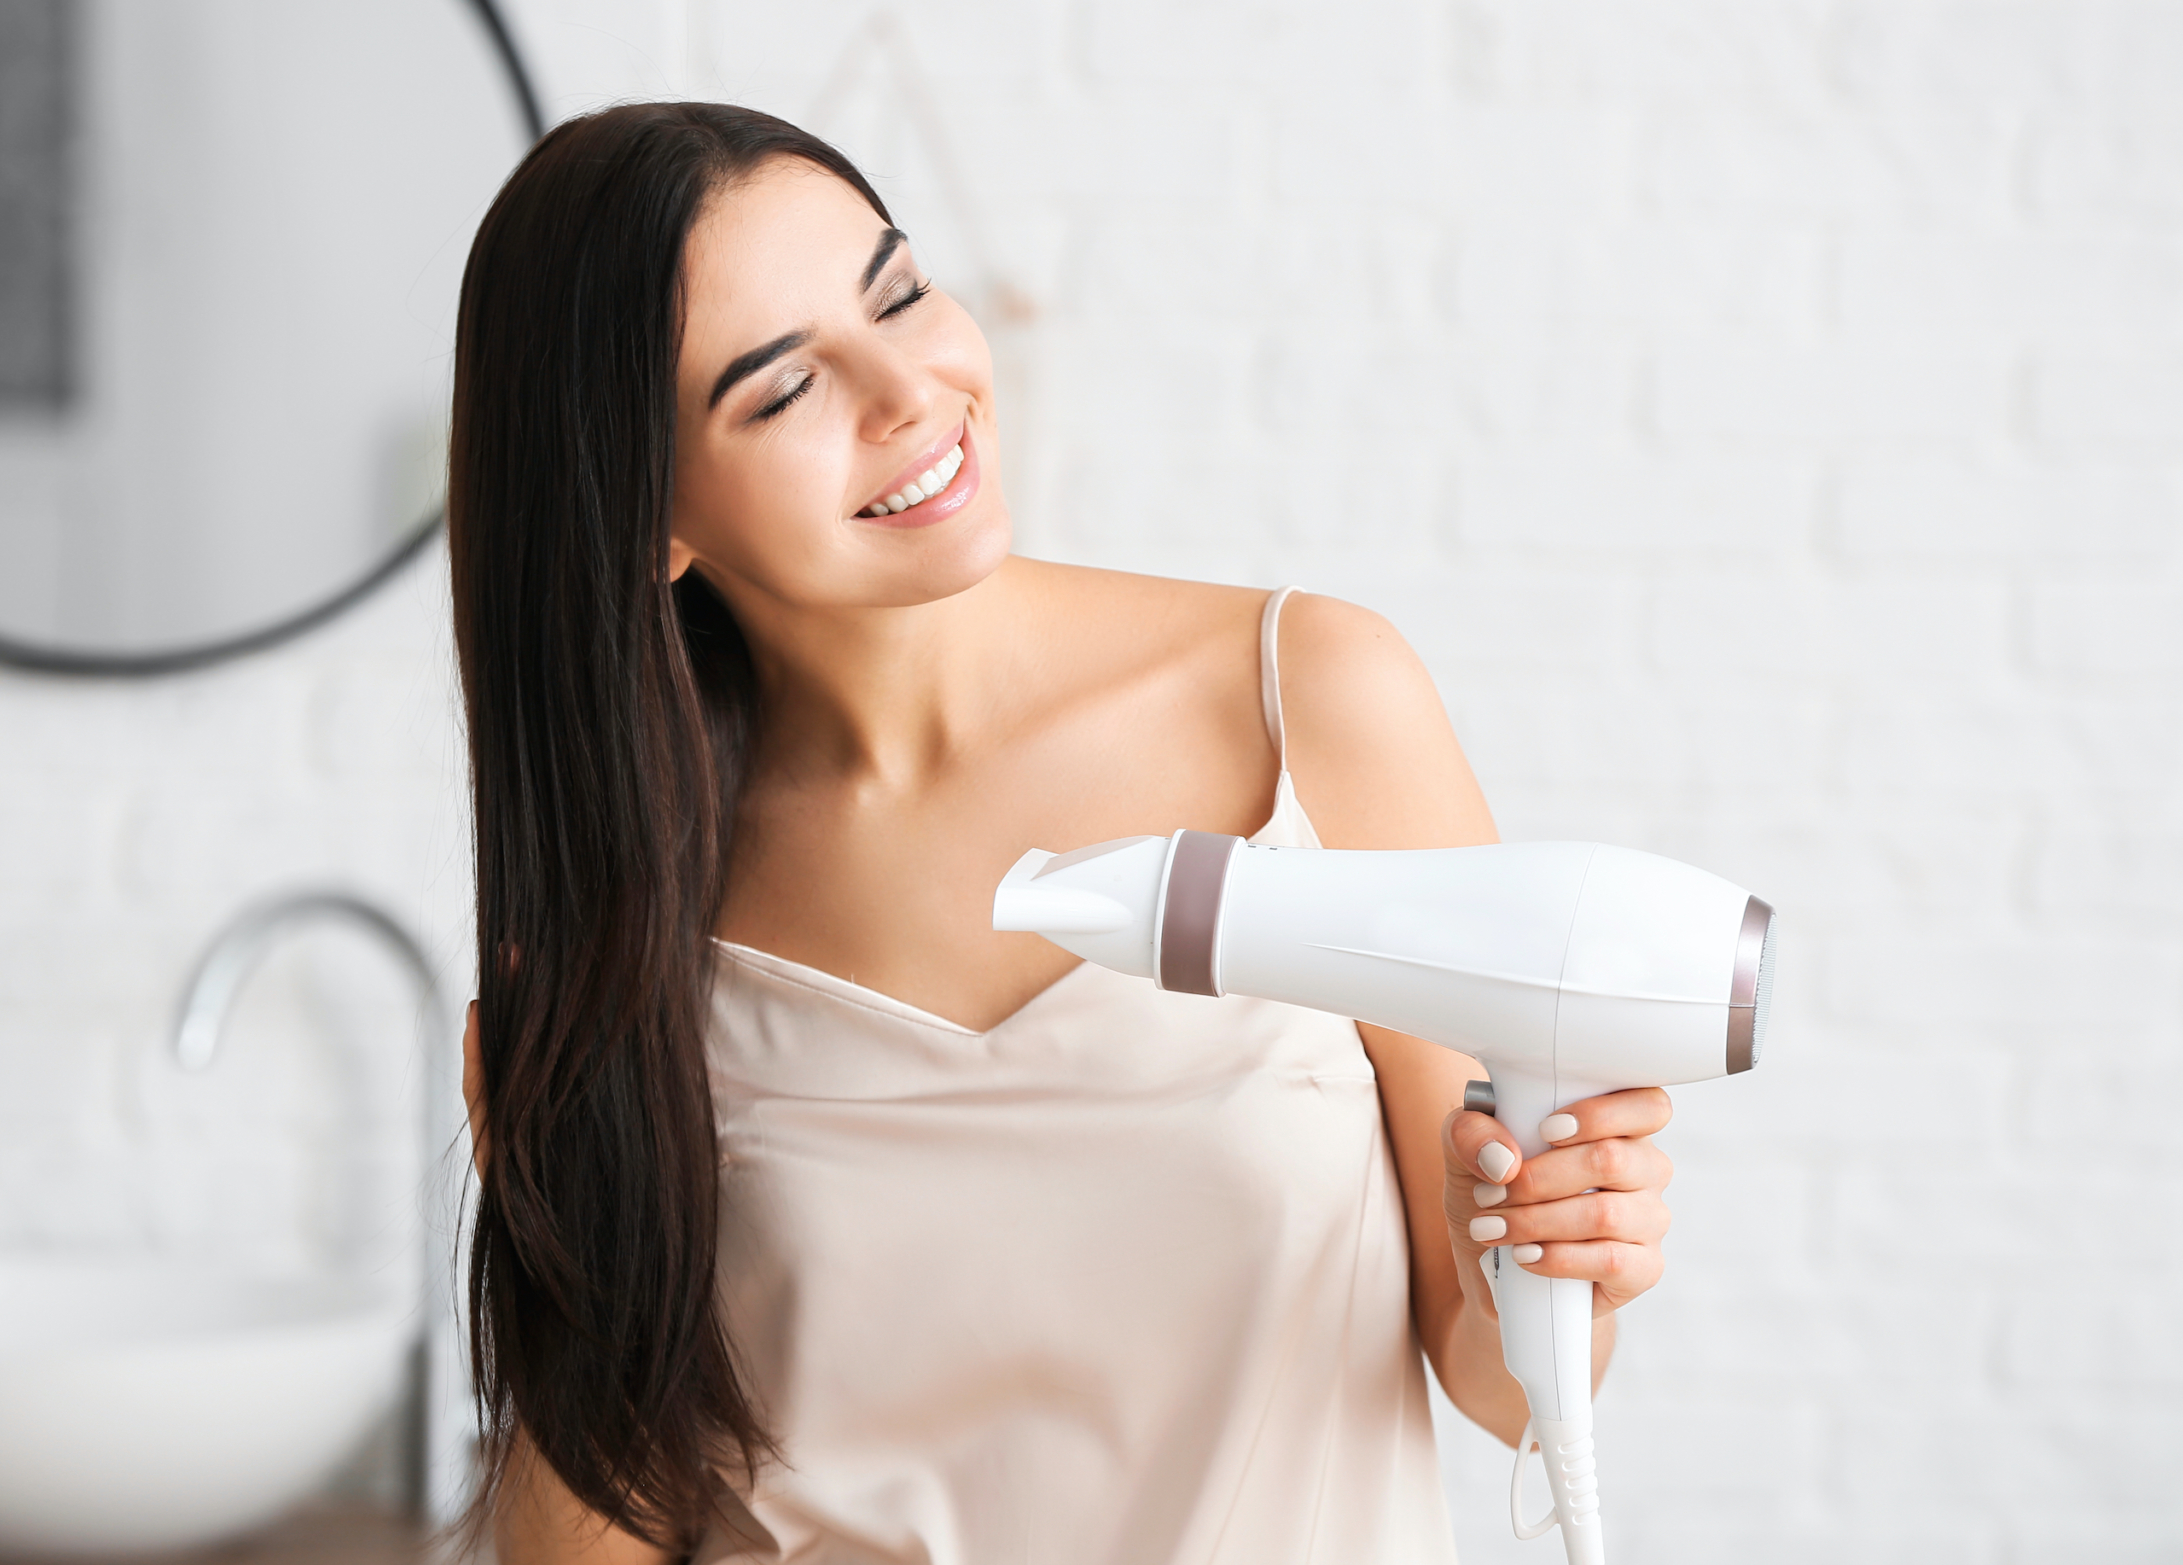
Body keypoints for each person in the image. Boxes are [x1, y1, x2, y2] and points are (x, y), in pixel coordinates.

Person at [449, 103, 1676, 1564]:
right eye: (782, 392)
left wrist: (1543, 1267)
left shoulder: (1308, 709)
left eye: (897, 291)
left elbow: (1506, 1387)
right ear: (647, 515)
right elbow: (604, 1510)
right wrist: (555, 1212)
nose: (911, 389)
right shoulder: (635, 924)